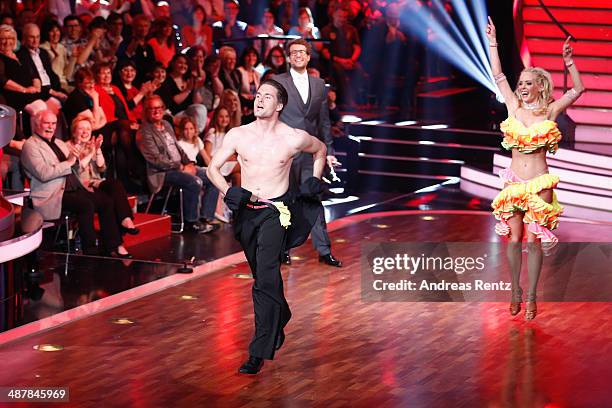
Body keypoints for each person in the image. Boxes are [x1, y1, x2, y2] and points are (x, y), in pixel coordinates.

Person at [206, 79, 327, 374]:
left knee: (265, 279)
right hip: (247, 214)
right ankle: (281, 313)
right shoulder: (238, 134)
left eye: (267, 96)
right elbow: (212, 168)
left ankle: (258, 351)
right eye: (258, 95)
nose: (259, 100)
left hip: (277, 212)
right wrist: (228, 191)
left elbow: (320, 150)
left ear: (280, 105)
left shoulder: (293, 137)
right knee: (262, 275)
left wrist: (314, 180)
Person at [486, 17, 584, 321]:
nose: (522, 87)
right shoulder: (513, 107)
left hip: (540, 181)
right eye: (521, 84)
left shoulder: (551, 110)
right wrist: (493, 43)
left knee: (533, 239)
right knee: (514, 240)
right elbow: (498, 74)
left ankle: (531, 296)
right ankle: (515, 290)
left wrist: (569, 62)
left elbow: (578, 89)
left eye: (528, 83)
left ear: (540, 86)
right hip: (513, 182)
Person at [21, 110, 131, 257]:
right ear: (36, 124)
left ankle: (113, 246)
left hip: (74, 187)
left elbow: (75, 168)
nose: (51, 127)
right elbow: (44, 174)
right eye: (47, 123)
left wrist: (82, 158)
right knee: (85, 205)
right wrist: (70, 162)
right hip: (53, 194)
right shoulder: (30, 146)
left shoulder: (58, 142)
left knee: (106, 201)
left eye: (53, 123)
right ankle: (90, 251)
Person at [274, 38, 342, 267]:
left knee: (312, 198)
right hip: (284, 152)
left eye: (302, 52)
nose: (298, 56)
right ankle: (282, 249)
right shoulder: (278, 82)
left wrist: (329, 149)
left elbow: (323, 122)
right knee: (284, 202)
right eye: (293, 52)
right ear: (288, 57)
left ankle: (324, 251)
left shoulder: (319, 84)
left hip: (310, 153)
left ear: (309, 56)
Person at [137, 95, 215, 233]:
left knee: (212, 177)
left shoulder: (166, 125)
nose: (156, 111)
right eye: (152, 108)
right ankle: (191, 222)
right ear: (146, 111)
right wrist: (181, 167)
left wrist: (189, 163)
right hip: (161, 173)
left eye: (159, 108)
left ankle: (205, 218)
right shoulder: (144, 132)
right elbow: (156, 160)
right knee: (194, 181)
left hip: (180, 166)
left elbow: (178, 149)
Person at [67, 115, 140, 239]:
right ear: (74, 132)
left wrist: (98, 149)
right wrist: (90, 153)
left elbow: (102, 167)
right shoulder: (67, 147)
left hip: (95, 182)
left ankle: (126, 219)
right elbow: (76, 170)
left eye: (88, 129)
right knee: (110, 200)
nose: (85, 132)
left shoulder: (90, 145)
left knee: (115, 184)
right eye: (81, 129)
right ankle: (118, 236)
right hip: (79, 185)